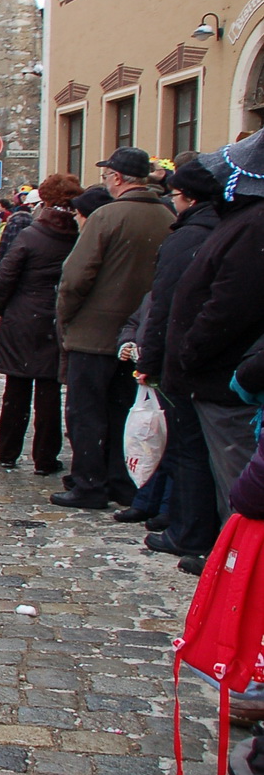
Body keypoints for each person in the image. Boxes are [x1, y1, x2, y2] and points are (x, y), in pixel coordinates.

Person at [53, 147, 174, 509]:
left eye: (108, 175)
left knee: (87, 413)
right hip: (141, 332)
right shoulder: (167, 216)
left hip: (96, 333)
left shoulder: (107, 216)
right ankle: (123, 481)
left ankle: (90, 483)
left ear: (118, 179)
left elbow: (75, 277)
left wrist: (66, 317)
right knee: (125, 410)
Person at [162, 131, 264, 534]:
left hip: (227, 377)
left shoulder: (253, 226)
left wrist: (192, 350)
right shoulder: (243, 222)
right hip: (220, 372)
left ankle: (240, 567)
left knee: (240, 487)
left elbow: (230, 305)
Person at [134, 160, 221, 558]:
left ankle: (188, 530)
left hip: (187, 355)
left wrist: (149, 359)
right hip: (213, 354)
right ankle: (185, 521)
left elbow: (163, 305)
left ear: (185, 197)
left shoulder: (186, 239)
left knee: (187, 448)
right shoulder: (222, 228)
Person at [0, 174, 82, 476]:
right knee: (48, 392)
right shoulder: (77, 235)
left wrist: (1, 306)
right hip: (55, 317)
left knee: (16, 391)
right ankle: (45, 457)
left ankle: (8, 451)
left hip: (22, 317)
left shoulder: (33, 234)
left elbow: (6, 274)